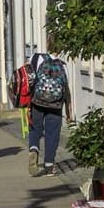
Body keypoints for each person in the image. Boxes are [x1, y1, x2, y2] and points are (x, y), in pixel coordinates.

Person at [25, 46, 72, 177]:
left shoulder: (37, 58)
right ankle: (49, 165)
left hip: (37, 101)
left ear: (47, 43)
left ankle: (33, 148)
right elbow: (66, 89)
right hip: (56, 105)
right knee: (52, 133)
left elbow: (28, 77)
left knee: (35, 127)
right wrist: (69, 111)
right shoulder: (63, 65)